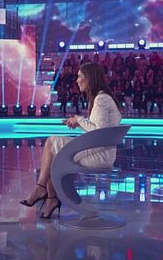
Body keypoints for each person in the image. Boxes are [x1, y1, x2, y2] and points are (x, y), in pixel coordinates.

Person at [20, 62, 122, 219]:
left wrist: (79, 120)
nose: (77, 80)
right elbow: (99, 130)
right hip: (100, 152)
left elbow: (99, 132)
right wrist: (78, 122)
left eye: (80, 77)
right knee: (54, 153)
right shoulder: (103, 98)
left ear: (90, 78)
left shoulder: (101, 99)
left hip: (99, 156)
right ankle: (51, 199)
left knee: (51, 142)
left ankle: (41, 189)